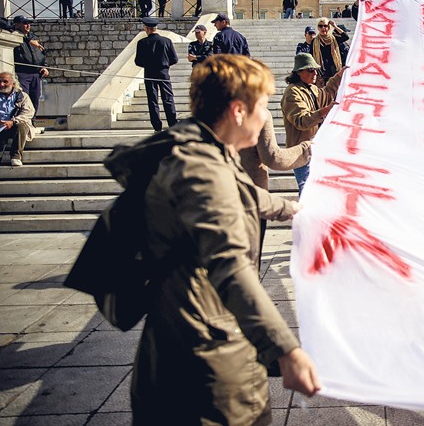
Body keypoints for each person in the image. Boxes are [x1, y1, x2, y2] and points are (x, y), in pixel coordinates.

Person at [112, 54, 320, 423]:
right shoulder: (200, 170)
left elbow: (245, 193)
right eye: (262, 108)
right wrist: (286, 349)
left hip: (191, 339)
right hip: (202, 362)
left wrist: (293, 209)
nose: (266, 118)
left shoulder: (202, 150)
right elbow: (230, 266)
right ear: (239, 111)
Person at [238, 110, 311, 271]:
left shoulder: (209, 111)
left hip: (221, 196)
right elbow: (272, 157)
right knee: (248, 264)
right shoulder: (257, 113)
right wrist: (305, 149)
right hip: (252, 198)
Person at [281, 53, 343, 195]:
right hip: (301, 152)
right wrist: (324, 111)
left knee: (316, 191)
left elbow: (326, 94)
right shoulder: (292, 93)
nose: (315, 73)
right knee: (308, 192)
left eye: (316, 70)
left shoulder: (311, 88)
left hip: (314, 147)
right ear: (299, 72)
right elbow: (302, 121)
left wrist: (339, 76)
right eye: (310, 70)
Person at [134, 17, 178, 132]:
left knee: (152, 100)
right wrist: (165, 64)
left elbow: (138, 61)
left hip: (149, 73)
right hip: (163, 72)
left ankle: (157, 126)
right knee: (168, 98)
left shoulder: (142, 43)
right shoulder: (166, 41)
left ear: (146, 29)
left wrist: (148, 64)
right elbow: (174, 59)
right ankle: (172, 123)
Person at [12, 16, 49, 116]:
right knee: (24, 98)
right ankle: (23, 121)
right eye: (24, 23)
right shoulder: (15, 36)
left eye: (29, 23)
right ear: (17, 24)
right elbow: (10, 29)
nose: (28, 25)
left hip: (36, 74)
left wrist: (44, 66)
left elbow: (41, 54)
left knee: (35, 99)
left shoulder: (33, 37)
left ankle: (32, 121)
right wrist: (28, 40)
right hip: (22, 73)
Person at [0, 71, 35, 166]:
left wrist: (12, 122)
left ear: (13, 84)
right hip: (0, 127)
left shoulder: (22, 96)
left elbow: (28, 113)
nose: (1, 84)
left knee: (21, 125)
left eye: (5, 82)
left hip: (14, 126)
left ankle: (15, 156)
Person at [311, 17, 346, 84]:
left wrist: (335, 26)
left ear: (328, 27)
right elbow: (311, 55)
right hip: (322, 69)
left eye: (325, 26)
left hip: (334, 68)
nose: (323, 28)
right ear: (318, 28)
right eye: (320, 26)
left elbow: (345, 37)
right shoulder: (314, 41)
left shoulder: (334, 38)